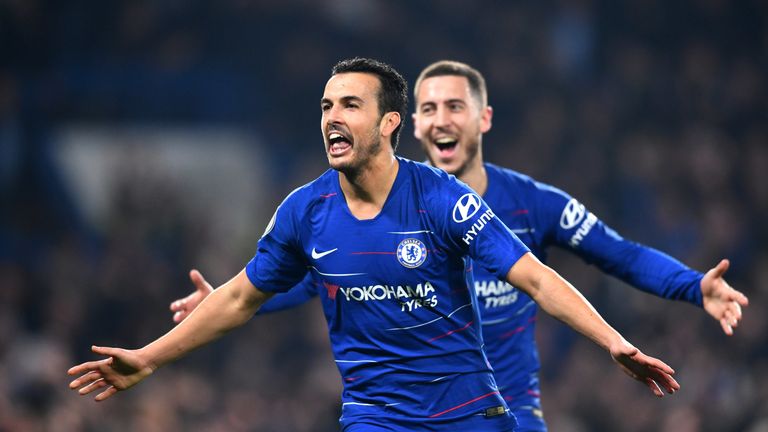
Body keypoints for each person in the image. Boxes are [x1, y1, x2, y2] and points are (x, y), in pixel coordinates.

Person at [70, 58, 680, 432]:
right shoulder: (305, 212)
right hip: (376, 419)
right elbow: (237, 300)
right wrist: (148, 357)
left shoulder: (440, 199)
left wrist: (614, 343)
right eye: (326, 105)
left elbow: (538, 279)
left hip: (469, 415)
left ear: (390, 122)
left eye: (351, 105)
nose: (333, 117)